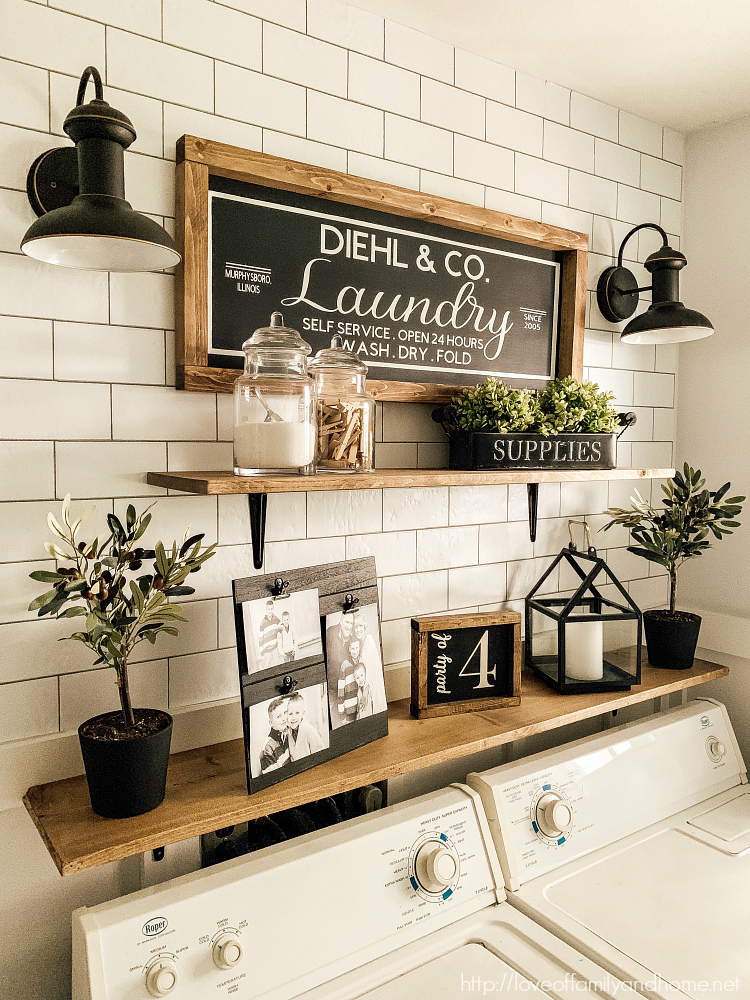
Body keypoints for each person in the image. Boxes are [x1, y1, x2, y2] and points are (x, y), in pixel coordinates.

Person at [287, 691, 324, 760]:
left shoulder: (309, 730)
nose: (293, 718)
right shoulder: (288, 731)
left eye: (297, 713)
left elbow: (319, 752)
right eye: (290, 714)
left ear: (303, 713)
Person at [334, 637, 360, 727]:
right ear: (349, 649)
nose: (355, 651)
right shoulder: (345, 665)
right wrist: (341, 712)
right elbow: (340, 689)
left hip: (360, 706)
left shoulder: (361, 662)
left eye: (357, 648)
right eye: (353, 648)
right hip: (349, 709)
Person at [259, 697, 290, 773]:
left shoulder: (288, 733)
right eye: (279, 716)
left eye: (285, 713)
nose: (284, 718)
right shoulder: (268, 747)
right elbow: (271, 776)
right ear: (271, 723)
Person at [258, 599, 281, 669]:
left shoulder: (276, 619)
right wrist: (262, 653)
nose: (270, 611)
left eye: (271, 609)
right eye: (269, 609)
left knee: (277, 665)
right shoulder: (263, 623)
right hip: (267, 650)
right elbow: (260, 638)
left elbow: (281, 625)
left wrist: (279, 632)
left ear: (273, 609)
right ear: (266, 609)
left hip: (275, 648)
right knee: (268, 667)